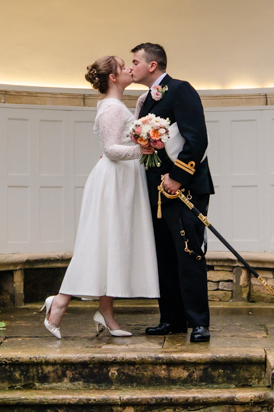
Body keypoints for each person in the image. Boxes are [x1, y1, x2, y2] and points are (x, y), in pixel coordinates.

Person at [40, 56, 160, 339]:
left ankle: (106, 312)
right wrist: (141, 151)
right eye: (123, 66)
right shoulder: (110, 108)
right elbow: (110, 149)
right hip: (112, 181)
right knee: (96, 243)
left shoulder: (118, 106)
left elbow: (127, 129)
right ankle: (58, 303)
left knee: (112, 244)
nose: (130, 68)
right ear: (113, 78)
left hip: (123, 180)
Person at [130, 43, 213, 343]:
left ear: (152, 66)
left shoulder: (180, 90)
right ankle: (172, 319)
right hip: (157, 190)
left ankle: (198, 322)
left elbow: (197, 138)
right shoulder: (147, 101)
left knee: (189, 252)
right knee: (165, 255)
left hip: (185, 187)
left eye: (135, 62)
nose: (131, 67)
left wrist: (178, 177)